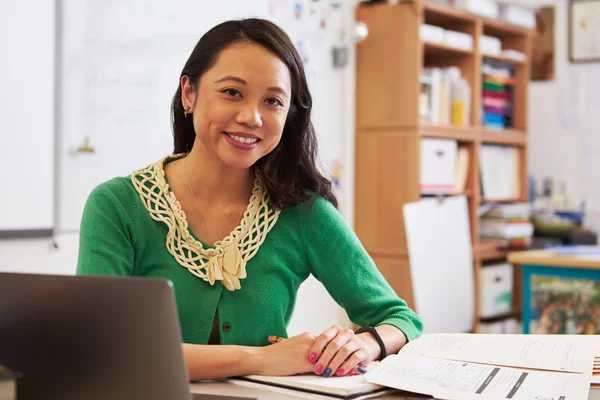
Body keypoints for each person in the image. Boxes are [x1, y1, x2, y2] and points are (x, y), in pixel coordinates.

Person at [76, 18, 422, 381]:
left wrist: (363, 345)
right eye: (232, 92)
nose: (251, 117)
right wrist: (259, 359)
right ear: (188, 94)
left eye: (272, 101)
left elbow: (402, 320)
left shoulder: (303, 212)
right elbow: (100, 345)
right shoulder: (116, 205)